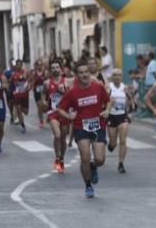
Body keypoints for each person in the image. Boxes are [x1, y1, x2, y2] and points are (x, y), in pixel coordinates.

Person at [57, 62, 110, 198]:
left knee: (100, 159)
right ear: (77, 75)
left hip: (98, 125)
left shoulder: (98, 87)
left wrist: (107, 110)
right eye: (81, 72)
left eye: (86, 72)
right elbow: (60, 108)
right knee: (85, 157)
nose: (84, 75)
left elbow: (108, 100)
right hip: (81, 127)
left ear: (89, 73)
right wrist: (69, 116)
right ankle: (88, 185)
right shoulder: (72, 92)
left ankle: (93, 167)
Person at [43, 60, 70, 171]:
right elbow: (43, 96)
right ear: (50, 70)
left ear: (61, 69)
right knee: (57, 135)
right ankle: (57, 157)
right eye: (53, 68)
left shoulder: (67, 82)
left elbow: (70, 97)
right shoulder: (47, 83)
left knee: (63, 138)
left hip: (64, 112)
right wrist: (44, 103)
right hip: (53, 112)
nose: (55, 69)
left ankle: (62, 158)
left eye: (57, 67)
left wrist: (64, 92)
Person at [106, 70, 131, 173]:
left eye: (119, 75)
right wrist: (110, 101)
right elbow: (103, 100)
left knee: (123, 141)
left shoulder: (124, 87)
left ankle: (121, 163)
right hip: (111, 116)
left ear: (122, 77)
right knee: (113, 142)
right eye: (115, 75)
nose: (117, 77)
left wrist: (128, 96)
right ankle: (111, 145)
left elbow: (130, 103)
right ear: (112, 77)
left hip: (122, 116)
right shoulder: (108, 87)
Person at [9, 60, 30, 133]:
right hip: (17, 95)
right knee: (18, 109)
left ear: (21, 65)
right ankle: (23, 126)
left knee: (25, 111)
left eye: (19, 65)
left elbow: (29, 80)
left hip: (25, 95)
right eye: (17, 65)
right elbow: (11, 84)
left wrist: (28, 86)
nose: (18, 66)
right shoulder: (13, 74)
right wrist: (11, 93)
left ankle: (21, 114)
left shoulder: (25, 72)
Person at [31, 59, 48, 129]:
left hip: (45, 92)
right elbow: (31, 82)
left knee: (45, 106)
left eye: (41, 64)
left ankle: (47, 116)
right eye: (38, 65)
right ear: (36, 66)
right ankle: (41, 121)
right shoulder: (33, 73)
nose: (39, 66)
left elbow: (48, 80)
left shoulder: (45, 73)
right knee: (39, 106)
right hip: (37, 92)